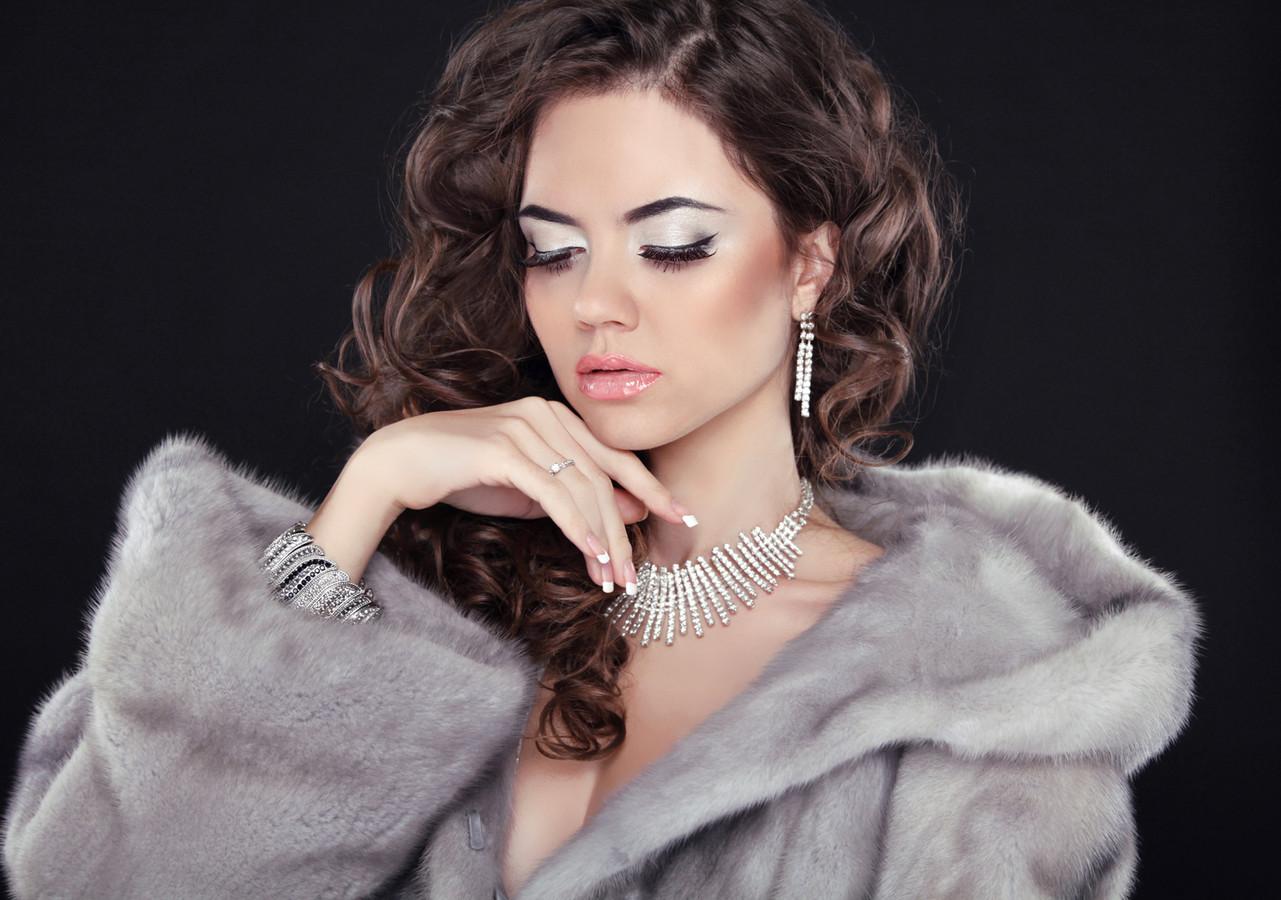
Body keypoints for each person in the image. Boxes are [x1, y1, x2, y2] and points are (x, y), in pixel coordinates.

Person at [2, 1, 1203, 898]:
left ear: (809, 263)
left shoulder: (975, 695)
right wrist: (366, 499)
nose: (594, 306)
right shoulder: (427, 594)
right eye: (554, 250)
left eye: (672, 246)